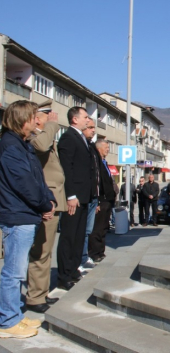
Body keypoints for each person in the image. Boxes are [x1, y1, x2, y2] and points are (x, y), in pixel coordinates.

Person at [0, 100, 56, 338]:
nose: (37, 121)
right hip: (17, 214)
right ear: (22, 119)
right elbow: (24, 183)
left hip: (25, 213)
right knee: (13, 272)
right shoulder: (10, 146)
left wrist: (49, 199)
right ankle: (7, 322)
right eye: (34, 117)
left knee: (17, 270)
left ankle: (15, 316)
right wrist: (43, 204)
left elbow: (38, 179)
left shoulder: (22, 145)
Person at [25, 101, 66, 314]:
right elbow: (41, 146)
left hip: (53, 198)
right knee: (40, 251)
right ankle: (34, 297)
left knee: (46, 251)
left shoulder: (43, 135)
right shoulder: (33, 137)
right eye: (43, 115)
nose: (51, 118)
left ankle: (40, 293)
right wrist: (51, 126)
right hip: (44, 200)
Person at [57, 107, 93, 291]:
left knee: (79, 236)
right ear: (74, 119)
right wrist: (70, 195)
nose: (88, 119)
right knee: (69, 237)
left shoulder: (82, 138)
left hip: (84, 196)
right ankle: (64, 275)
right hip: (74, 197)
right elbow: (66, 169)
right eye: (85, 117)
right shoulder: (68, 138)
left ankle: (73, 270)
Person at [88, 139, 116, 263]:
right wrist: (98, 201)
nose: (108, 150)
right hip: (102, 199)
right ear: (99, 148)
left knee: (104, 227)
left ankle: (101, 251)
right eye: (106, 147)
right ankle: (94, 252)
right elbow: (97, 183)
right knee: (97, 228)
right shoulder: (96, 163)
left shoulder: (104, 162)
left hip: (108, 200)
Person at [80, 119, 98, 272]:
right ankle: (81, 258)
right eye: (90, 127)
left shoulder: (91, 147)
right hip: (82, 196)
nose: (93, 130)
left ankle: (84, 257)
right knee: (83, 231)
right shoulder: (76, 143)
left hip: (93, 196)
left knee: (88, 230)